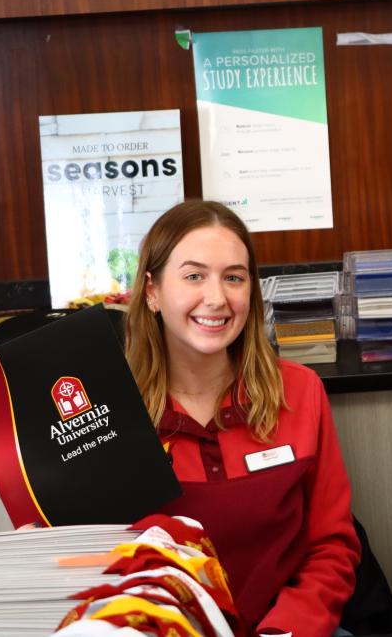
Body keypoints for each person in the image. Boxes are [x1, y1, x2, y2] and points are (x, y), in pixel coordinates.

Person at [125, 200, 360, 636]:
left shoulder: (300, 391)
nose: (216, 298)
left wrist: (287, 630)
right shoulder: (109, 414)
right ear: (152, 291)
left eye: (233, 277)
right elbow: (96, 566)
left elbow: (331, 545)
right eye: (194, 276)